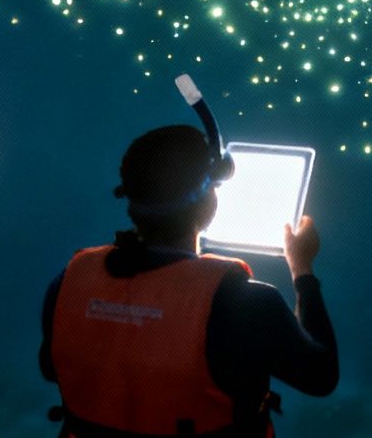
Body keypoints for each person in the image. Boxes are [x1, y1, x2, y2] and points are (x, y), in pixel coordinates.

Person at [41, 124, 338, 437]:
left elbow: (51, 368)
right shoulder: (246, 302)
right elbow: (321, 377)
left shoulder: (69, 282)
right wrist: (302, 268)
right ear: (209, 201)